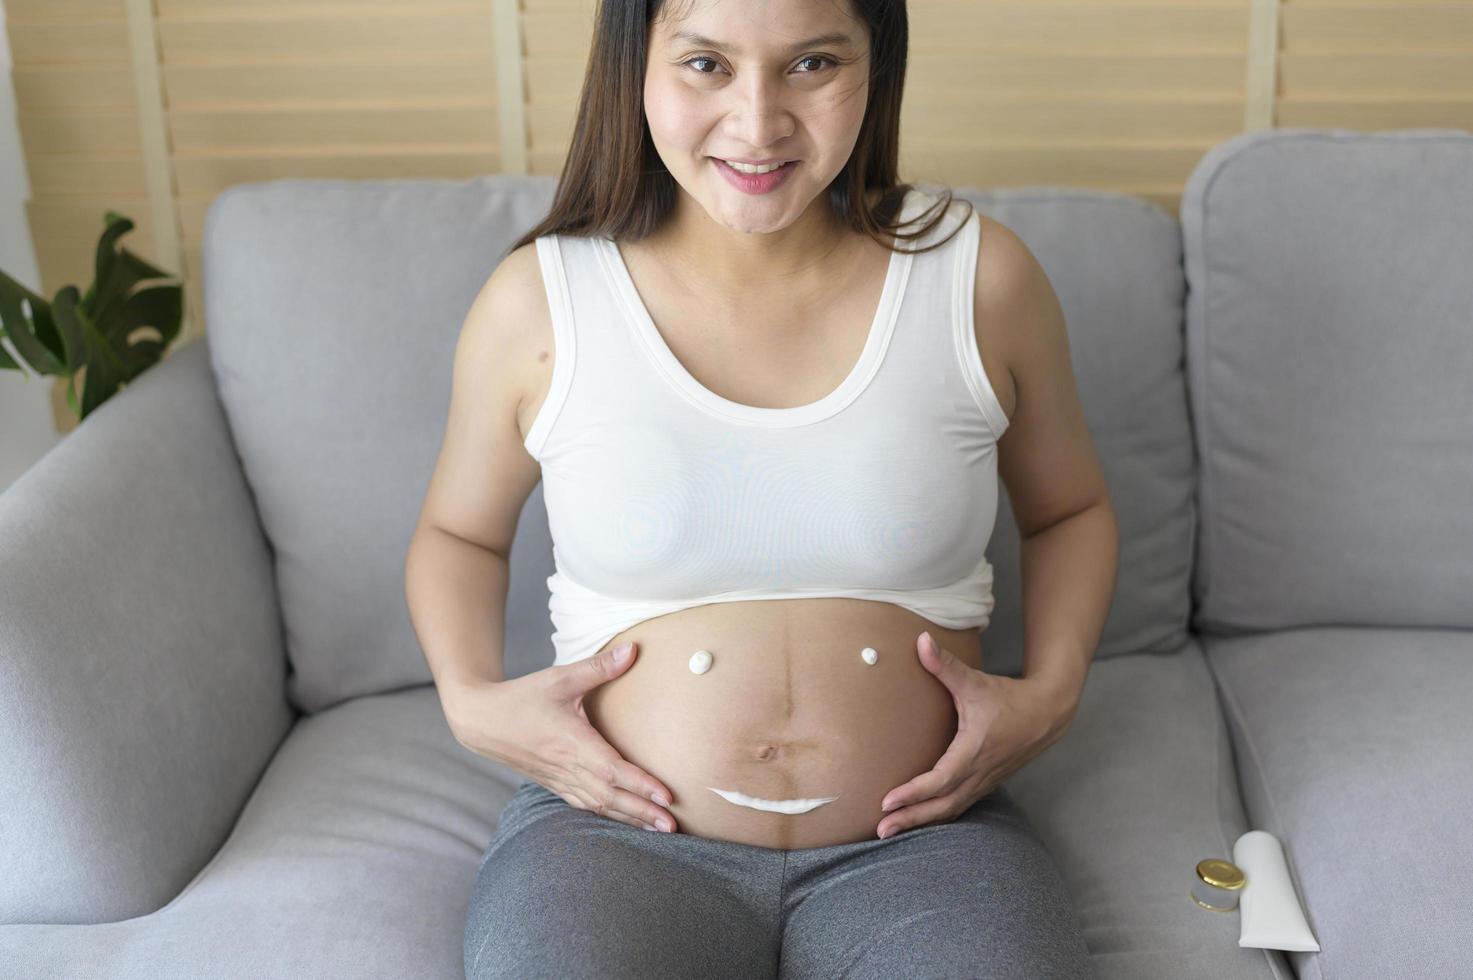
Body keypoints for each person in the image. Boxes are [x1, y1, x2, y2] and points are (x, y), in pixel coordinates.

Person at [404, 0, 1119, 975]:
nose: (759, 122)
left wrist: (1055, 690)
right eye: (706, 65)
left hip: (924, 836)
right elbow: (458, 532)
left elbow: (1071, 510)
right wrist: (468, 697)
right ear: (637, 67)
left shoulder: (979, 278)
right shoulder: (540, 299)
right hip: (609, 839)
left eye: (813, 64)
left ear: (878, 65)